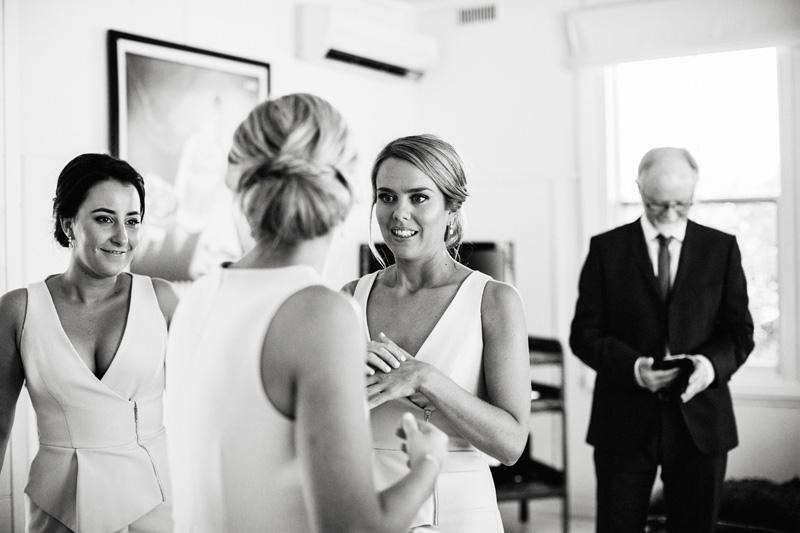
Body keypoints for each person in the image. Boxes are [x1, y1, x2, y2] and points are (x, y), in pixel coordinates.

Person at [164, 93, 449, 533]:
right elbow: (354, 529)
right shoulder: (322, 312)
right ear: (348, 188)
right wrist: (428, 463)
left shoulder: (199, 296)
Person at [341, 134, 531, 532]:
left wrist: (425, 378)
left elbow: (511, 445)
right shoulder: (348, 299)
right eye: (387, 197)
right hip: (367, 503)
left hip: (459, 507)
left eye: (419, 197)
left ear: (452, 206)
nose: (399, 214)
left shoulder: (494, 301)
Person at [569, 147, 755, 533]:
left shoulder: (722, 248)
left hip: (702, 421)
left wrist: (705, 368)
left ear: (695, 191)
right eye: (657, 205)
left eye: (680, 204)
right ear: (639, 190)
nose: (669, 215)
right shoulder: (606, 249)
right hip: (623, 420)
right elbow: (583, 334)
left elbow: (740, 334)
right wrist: (634, 368)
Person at [0, 153, 179, 532]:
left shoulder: (161, 301)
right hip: (60, 509)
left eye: (132, 221)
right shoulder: (19, 309)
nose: (122, 237)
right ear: (68, 224)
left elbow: (200, 407)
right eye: (104, 219)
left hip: (153, 504)